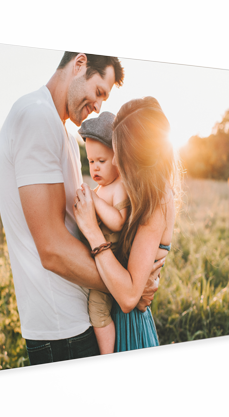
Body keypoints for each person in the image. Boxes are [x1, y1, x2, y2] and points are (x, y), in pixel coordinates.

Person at [0, 52, 164, 366]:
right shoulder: (36, 117)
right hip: (64, 329)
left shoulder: (59, 129)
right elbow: (52, 248)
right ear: (79, 64)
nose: (99, 106)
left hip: (76, 318)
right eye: (99, 92)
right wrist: (129, 289)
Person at [74, 97, 181, 352]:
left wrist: (91, 231)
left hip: (129, 327)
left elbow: (130, 296)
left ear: (136, 158)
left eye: (119, 156)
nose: (116, 164)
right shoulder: (140, 194)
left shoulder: (156, 201)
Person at [78, 111, 129, 355]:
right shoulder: (101, 188)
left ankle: (107, 355)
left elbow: (118, 222)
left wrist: (95, 202)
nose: (95, 167)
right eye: (91, 162)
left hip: (112, 262)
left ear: (117, 159)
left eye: (102, 161)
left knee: (97, 310)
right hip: (98, 260)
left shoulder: (118, 187)